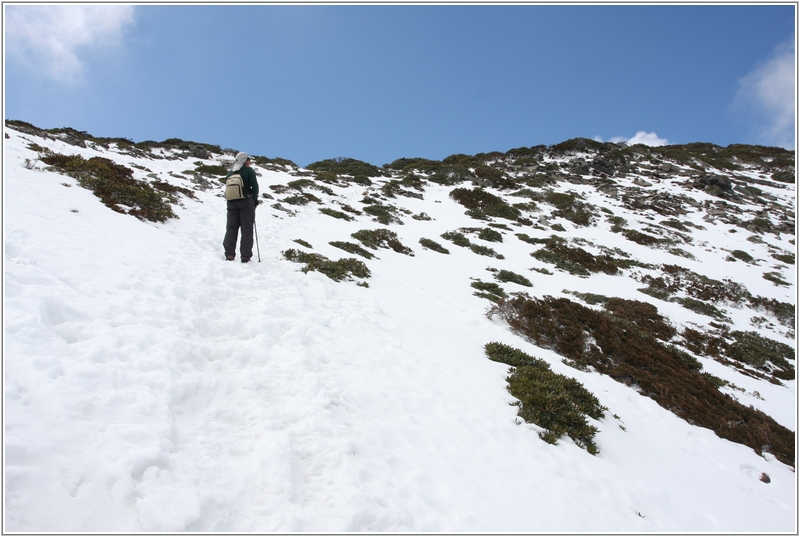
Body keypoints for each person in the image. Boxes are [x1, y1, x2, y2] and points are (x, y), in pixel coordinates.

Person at [223, 152, 260, 262]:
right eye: (248, 159)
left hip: (231, 203)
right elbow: (255, 187)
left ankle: (229, 254)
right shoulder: (248, 171)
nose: (249, 162)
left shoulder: (230, 173)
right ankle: (245, 255)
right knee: (247, 228)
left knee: (231, 228)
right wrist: (254, 201)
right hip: (245, 202)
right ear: (245, 160)